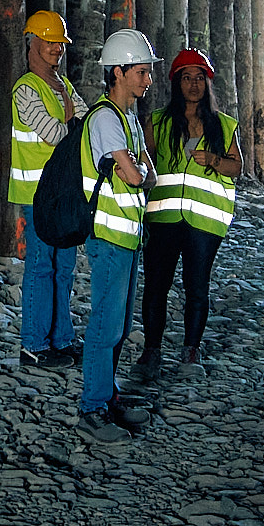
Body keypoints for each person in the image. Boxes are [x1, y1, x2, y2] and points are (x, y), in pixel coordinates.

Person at [75, 31, 161, 428]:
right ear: (119, 72)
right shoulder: (107, 118)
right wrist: (139, 173)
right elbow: (133, 174)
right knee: (106, 324)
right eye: (142, 72)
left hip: (127, 237)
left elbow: (149, 176)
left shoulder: (129, 119)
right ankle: (93, 407)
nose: (147, 80)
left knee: (121, 325)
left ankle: (108, 398)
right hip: (109, 238)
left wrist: (139, 174)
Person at [140, 46, 238, 369]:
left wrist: (213, 160)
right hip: (163, 218)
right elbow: (146, 164)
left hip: (204, 223)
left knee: (197, 287)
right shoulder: (156, 122)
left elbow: (236, 167)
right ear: (176, 83)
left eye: (199, 78)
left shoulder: (224, 126)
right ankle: (151, 350)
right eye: (186, 78)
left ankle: (190, 350)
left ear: (208, 83)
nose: (193, 84)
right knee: (157, 285)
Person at [6, 8, 80, 365]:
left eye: (59, 43)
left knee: (64, 267)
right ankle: (33, 346)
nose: (56, 49)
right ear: (32, 42)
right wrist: (71, 123)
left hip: (62, 195)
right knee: (40, 267)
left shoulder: (63, 86)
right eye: (49, 42)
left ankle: (61, 339)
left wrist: (70, 124)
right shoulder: (25, 89)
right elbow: (54, 133)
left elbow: (83, 126)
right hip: (35, 195)